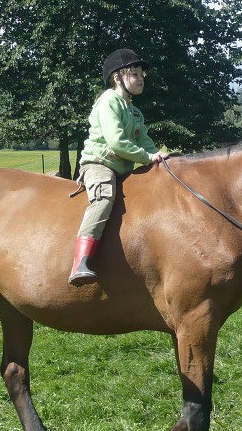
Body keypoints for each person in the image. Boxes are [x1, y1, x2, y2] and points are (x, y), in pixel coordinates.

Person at [69, 48, 168, 286]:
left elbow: (142, 139)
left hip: (122, 168)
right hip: (100, 163)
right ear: (118, 77)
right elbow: (116, 141)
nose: (141, 78)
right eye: (135, 73)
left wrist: (158, 156)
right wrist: (146, 156)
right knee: (103, 198)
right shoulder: (108, 101)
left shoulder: (134, 111)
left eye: (142, 73)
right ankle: (80, 262)